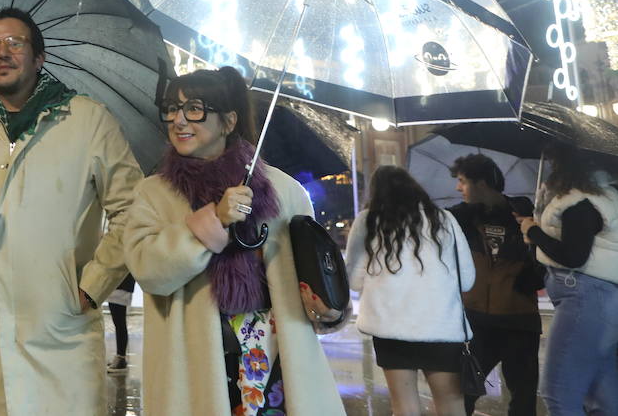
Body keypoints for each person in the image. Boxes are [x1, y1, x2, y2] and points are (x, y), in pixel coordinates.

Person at [0, 7, 142, 416]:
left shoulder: (87, 120)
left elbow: (134, 209)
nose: (2, 53)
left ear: (39, 57)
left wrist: (92, 286)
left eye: (15, 43)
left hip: (61, 325)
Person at [124, 66, 345, 416]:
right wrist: (214, 220)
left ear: (228, 122)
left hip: (275, 356)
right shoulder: (154, 193)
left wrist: (328, 307)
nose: (179, 120)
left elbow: (313, 272)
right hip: (193, 361)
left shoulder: (284, 191)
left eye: (194, 109)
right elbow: (148, 270)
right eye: (171, 109)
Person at [346, 165, 475, 416]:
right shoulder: (444, 219)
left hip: (390, 328)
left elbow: (354, 281)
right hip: (442, 328)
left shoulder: (368, 221)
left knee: (404, 407)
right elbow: (467, 279)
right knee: (451, 404)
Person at [516, 145, 618, 416]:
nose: (550, 163)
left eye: (554, 158)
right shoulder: (602, 194)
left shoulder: (581, 201)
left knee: (559, 393)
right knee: (604, 398)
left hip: (583, 297)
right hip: (599, 298)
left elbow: (574, 256)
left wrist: (533, 231)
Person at [447, 153, 543, 415]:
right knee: (463, 395)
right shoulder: (458, 219)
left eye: (463, 181)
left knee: (523, 400)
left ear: (482, 183)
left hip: (519, 320)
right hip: (477, 322)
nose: (458, 187)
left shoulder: (526, 214)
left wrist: (532, 237)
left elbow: (545, 263)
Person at [105, 273, 135, 374]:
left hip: (121, 284)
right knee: (118, 322)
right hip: (118, 284)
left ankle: (121, 358)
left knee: (119, 322)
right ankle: (120, 357)